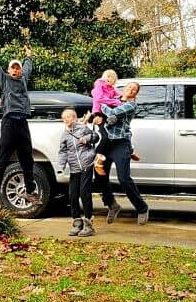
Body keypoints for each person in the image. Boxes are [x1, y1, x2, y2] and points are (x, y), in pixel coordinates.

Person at [0, 32, 39, 206]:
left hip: (22, 122)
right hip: (9, 121)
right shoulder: (3, 79)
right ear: (9, 70)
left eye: (18, 68)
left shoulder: (23, 79)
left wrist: (29, 56)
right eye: (13, 68)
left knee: (28, 159)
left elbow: (28, 66)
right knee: (2, 157)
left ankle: (30, 191)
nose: (16, 70)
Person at [94, 81, 150, 225]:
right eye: (129, 87)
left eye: (134, 89)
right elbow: (104, 116)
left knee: (123, 178)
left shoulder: (131, 105)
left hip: (121, 144)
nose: (130, 89)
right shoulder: (114, 100)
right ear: (124, 89)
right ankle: (112, 205)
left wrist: (101, 105)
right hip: (106, 144)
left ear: (135, 94)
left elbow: (112, 113)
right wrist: (100, 116)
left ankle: (142, 208)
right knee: (100, 176)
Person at [89, 70, 139, 175]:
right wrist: (116, 103)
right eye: (108, 77)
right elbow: (99, 99)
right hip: (98, 113)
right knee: (105, 136)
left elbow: (118, 101)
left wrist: (119, 102)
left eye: (112, 78)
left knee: (125, 132)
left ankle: (130, 149)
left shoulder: (115, 91)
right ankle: (98, 158)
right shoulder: (99, 86)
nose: (109, 79)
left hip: (117, 134)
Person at [58, 108, 98, 237]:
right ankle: (77, 223)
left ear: (74, 118)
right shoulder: (65, 134)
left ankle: (88, 224)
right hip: (74, 168)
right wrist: (61, 166)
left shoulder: (83, 128)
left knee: (84, 193)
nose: (66, 120)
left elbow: (95, 136)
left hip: (86, 164)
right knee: (72, 195)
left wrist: (86, 138)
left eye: (69, 117)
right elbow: (63, 151)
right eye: (64, 118)